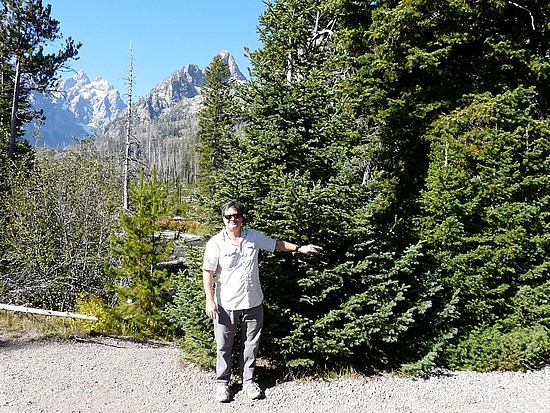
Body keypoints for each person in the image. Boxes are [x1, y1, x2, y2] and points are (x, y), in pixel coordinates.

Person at [202, 201, 319, 402]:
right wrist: (209, 300)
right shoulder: (215, 243)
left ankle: (248, 382)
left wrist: (300, 248)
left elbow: (276, 244)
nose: (233, 219)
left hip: (253, 301)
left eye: (236, 215)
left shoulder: (253, 237)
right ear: (223, 219)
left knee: (251, 344)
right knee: (223, 345)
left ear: (241, 217)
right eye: (228, 216)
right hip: (226, 304)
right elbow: (208, 272)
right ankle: (222, 384)